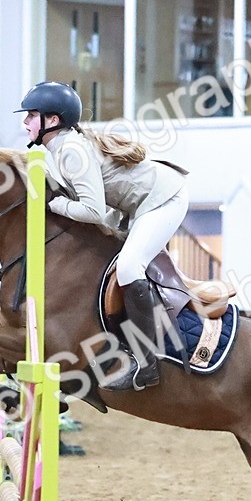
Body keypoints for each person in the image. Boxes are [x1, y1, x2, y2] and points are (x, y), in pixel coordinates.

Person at [15, 81, 188, 392]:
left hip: (164, 198)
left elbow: (93, 211)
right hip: (138, 206)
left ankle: (147, 363)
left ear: (52, 121)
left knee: (129, 267)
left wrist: (54, 204)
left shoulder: (69, 149)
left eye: (31, 115)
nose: (26, 122)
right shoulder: (62, 148)